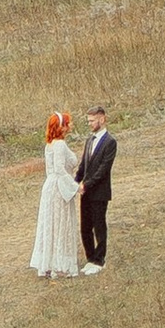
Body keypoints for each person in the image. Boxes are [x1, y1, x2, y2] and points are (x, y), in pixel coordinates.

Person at [30, 111, 84, 279]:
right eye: (69, 123)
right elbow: (60, 169)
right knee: (60, 223)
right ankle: (59, 265)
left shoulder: (50, 145)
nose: (71, 125)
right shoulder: (59, 145)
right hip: (58, 188)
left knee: (51, 223)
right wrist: (75, 187)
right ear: (62, 127)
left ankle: (50, 262)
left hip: (50, 186)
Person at [76, 108, 117, 271]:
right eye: (88, 121)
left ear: (102, 119)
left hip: (99, 192)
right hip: (86, 192)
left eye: (92, 120)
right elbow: (83, 166)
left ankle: (99, 260)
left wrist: (87, 184)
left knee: (99, 226)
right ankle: (90, 258)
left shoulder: (110, 142)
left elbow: (104, 169)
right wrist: (75, 182)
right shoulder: (89, 140)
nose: (90, 124)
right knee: (85, 226)